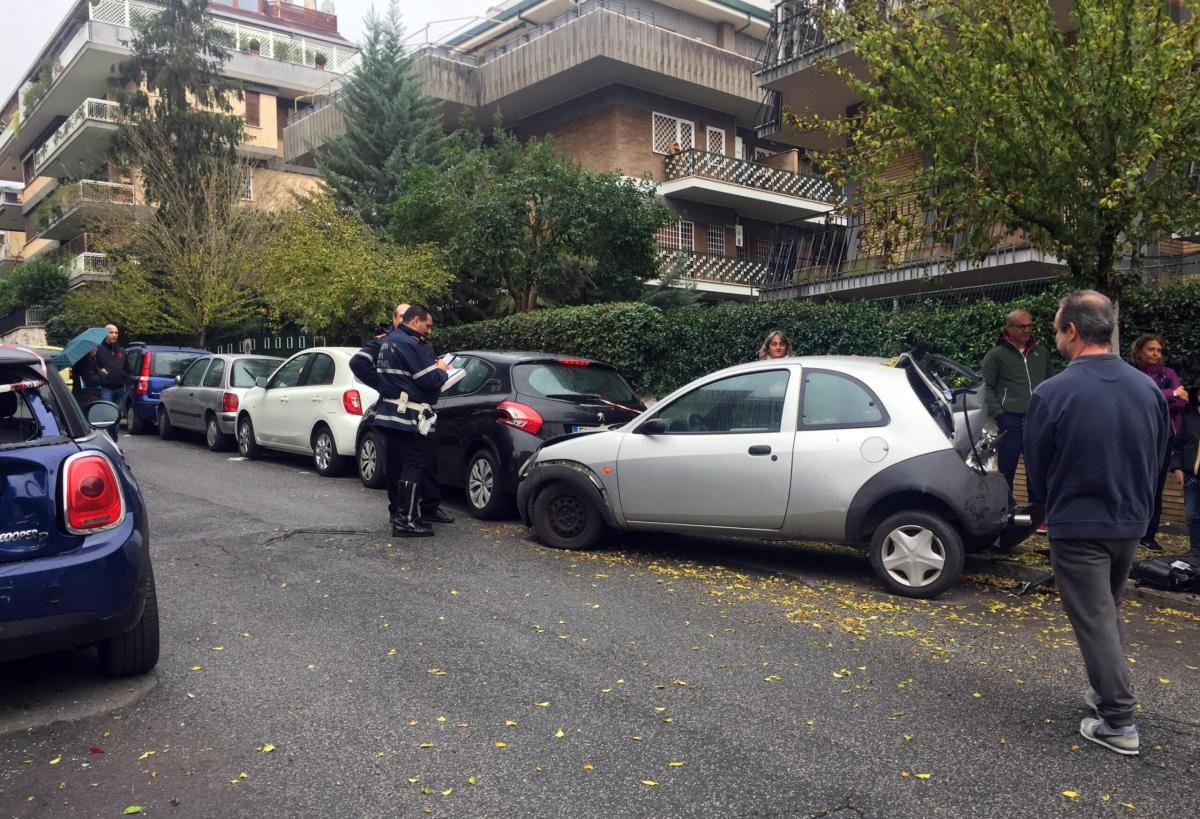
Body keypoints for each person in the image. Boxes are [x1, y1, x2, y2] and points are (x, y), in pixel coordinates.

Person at [1023, 290, 1169, 757]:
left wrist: (1042, 513)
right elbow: (1157, 456)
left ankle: (1118, 721)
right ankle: (1108, 695)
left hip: (1078, 523)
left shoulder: (1052, 392)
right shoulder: (1147, 389)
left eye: (1055, 328)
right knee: (1105, 612)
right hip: (1129, 521)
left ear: (1072, 331)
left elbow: (1038, 465)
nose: (1055, 335)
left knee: (1095, 618)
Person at [351, 305, 457, 528]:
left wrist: (387, 388)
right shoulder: (409, 343)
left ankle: (404, 514)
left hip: (391, 414)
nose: (429, 331)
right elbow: (428, 380)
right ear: (415, 320)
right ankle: (406, 520)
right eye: (427, 325)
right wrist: (441, 370)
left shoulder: (389, 341)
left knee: (398, 465)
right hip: (409, 415)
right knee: (414, 464)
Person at [980, 309, 1057, 505]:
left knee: (1037, 466)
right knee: (1008, 466)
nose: (1027, 330)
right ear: (1010, 328)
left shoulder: (1042, 353)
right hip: (1010, 419)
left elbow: (1053, 382)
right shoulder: (996, 355)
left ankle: (1037, 513)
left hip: (1037, 418)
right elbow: (985, 386)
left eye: (1030, 325)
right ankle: (1005, 509)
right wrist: (999, 414)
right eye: (1022, 326)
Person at [1129, 333, 1189, 552]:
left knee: (1156, 486)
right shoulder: (1132, 374)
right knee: (1134, 483)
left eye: (1159, 350)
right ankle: (1130, 531)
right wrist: (1171, 394)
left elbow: (1182, 404)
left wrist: (1165, 398)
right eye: (1151, 349)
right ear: (1139, 352)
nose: (1156, 354)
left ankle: (1149, 535)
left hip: (1164, 436)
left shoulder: (1169, 373)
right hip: (1138, 436)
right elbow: (1138, 399)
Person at [1168, 388, 1200, 562]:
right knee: (1193, 516)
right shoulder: (1189, 421)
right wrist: (1177, 469)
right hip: (1193, 478)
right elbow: (1178, 446)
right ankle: (1195, 551)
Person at [94, 324, 125, 441]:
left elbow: (126, 367)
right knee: (107, 416)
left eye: (116, 333)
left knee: (116, 417)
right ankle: (106, 442)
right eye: (111, 332)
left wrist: (125, 378)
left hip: (120, 388)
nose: (114, 335)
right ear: (105, 334)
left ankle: (113, 442)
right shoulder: (98, 349)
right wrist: (99, 370)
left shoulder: (120, 350)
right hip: (106, 388)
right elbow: (93, 365)